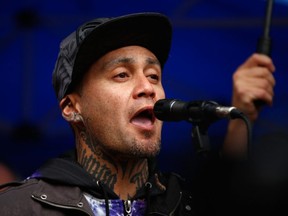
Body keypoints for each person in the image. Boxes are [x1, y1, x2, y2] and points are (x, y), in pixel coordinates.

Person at [0, 12, 275, 216]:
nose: (147, 87)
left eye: (154, 75)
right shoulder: (19, 208)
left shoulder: (185, 205)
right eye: (121, 75)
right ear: (72, 108)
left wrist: (244, 116)